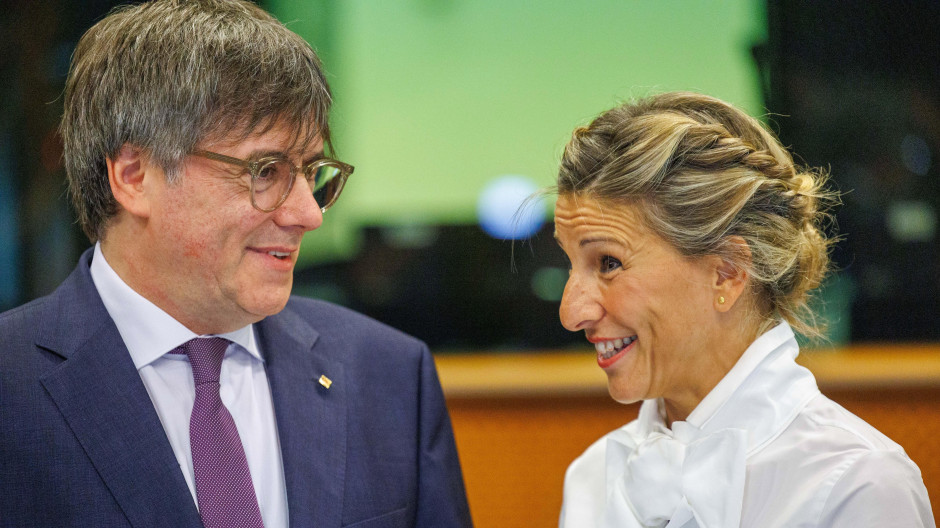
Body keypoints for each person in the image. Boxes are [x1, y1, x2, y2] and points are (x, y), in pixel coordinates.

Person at [0, 1, 472, 527]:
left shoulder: (387, 377)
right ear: (134, 176)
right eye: (266, 170)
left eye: (312, 172)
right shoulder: (11, 387)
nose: (309, 213)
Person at [553, 92, 934, 527]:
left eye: (608, 263)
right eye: (570, 263)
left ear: (728, 273)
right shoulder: (590, 477)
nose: (571, 312)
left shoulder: (856, 486)